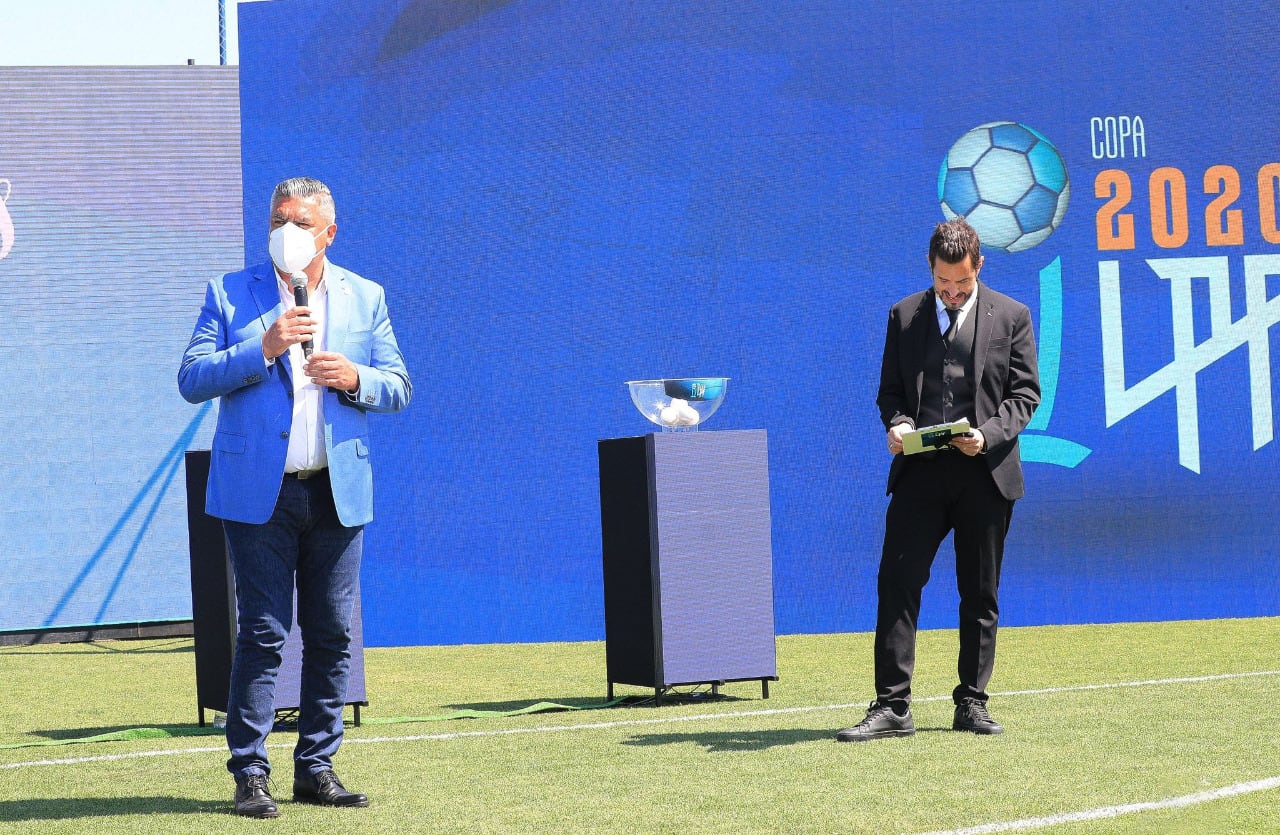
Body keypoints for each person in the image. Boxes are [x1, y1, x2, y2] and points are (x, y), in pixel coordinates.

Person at [179, 177, 412, 816]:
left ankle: (316, 767)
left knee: (334, 632)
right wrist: (266, 347)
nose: (289, 230)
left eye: (303, 221)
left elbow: (398, 384)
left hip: (335, 488)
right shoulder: (229, 292)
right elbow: (192, 379)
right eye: (280, 219)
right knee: (262, 632)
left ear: (329, 232)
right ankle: (250, 772)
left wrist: (356, 377)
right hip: (259, 492)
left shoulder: (366, 297)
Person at [836, 217, 1039, 742]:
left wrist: (989, 434)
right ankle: (892, 706)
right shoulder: (904, 315)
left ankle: (972, 702)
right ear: (931, 268)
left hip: (985, 475)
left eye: (961, 285)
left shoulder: (1013, 316)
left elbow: (1025, 397)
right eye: (942, 283)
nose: (950, 294)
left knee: (980, 593)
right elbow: (890, 393)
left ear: (979, 269)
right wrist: (898, 423)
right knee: (897, 583)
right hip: (920, 475)